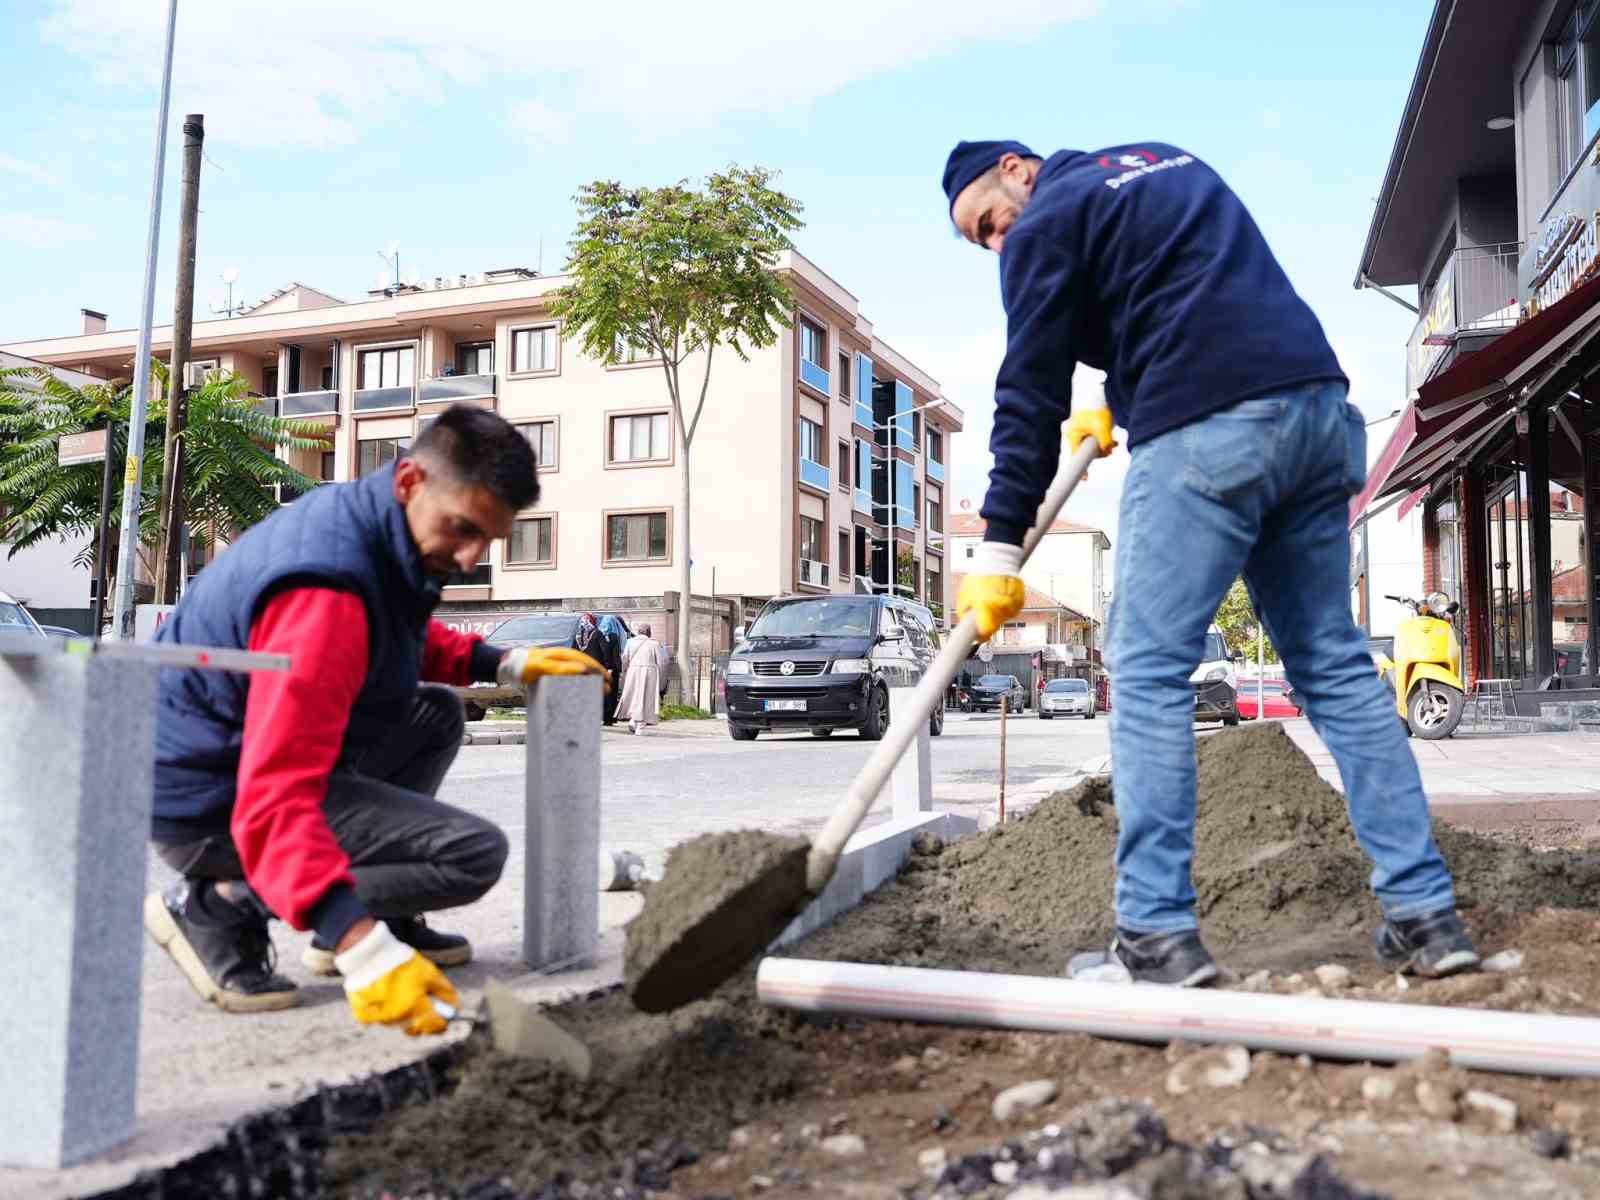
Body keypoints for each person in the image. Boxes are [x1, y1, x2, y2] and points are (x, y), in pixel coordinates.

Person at [943, 139, 1478, 986]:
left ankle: (1154, 932)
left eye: (988, 222)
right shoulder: (1165, 162)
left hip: (1209, 432)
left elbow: (1027, 390)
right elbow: (1192, 296)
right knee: (1337, 671)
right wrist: (1119, 397)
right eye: (982, 244)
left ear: (1016, 167)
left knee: (1147, 669)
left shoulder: (1045, 221)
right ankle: (1426, 918)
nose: (998, 244)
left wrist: (1001, 544)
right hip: (1318, 417)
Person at [144, 405, 610, 1032]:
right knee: (469, 855)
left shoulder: (371, 528)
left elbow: (391, 636)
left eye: (489, 540)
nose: (472, 557)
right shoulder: (325, 595)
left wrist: (499, 660)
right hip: (210, 800)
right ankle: (218, 903)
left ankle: (373, 907)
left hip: (219, 758)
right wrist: (359, 945)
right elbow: (275, 792)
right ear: (412, 482)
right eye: (463, 528)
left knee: (434, 713)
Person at [619, 623, 663, 734]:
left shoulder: (630, 642)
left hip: (633, 671)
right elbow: (661, 662)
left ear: (638, 631)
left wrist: (624, 671)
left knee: (634, 696)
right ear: (649, 631)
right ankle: (640, 726)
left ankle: (633, 720)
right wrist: (660, 674)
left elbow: (624, 658)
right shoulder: (654, 643)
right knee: (646, 698)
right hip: (649, 672)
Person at [597, 615, 631, 725]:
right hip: (612, 671)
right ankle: (610, 718)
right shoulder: (614, 636)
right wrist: (620, 669)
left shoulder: (596, 635)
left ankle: (600, 716)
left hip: (600, 669)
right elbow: (616, 656)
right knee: (612, 693)